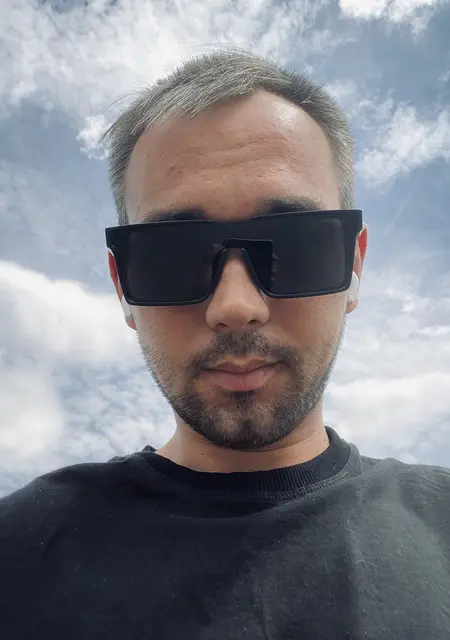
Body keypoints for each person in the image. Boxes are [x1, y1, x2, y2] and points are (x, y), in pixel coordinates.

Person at [1, 48, 449, 640]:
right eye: (171, 256)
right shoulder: (17, 553)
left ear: (353, 266)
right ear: (123, 286)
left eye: (292, 245)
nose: (235, 306)